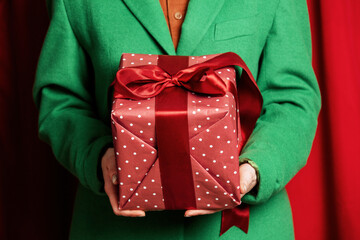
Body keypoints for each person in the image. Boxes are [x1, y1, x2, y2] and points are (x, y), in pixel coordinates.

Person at [32, 0, 321, 239]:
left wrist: (252, 171)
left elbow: (293, 98)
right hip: (114, 228)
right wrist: (99, 158)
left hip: (242, 229)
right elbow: (60, 100)